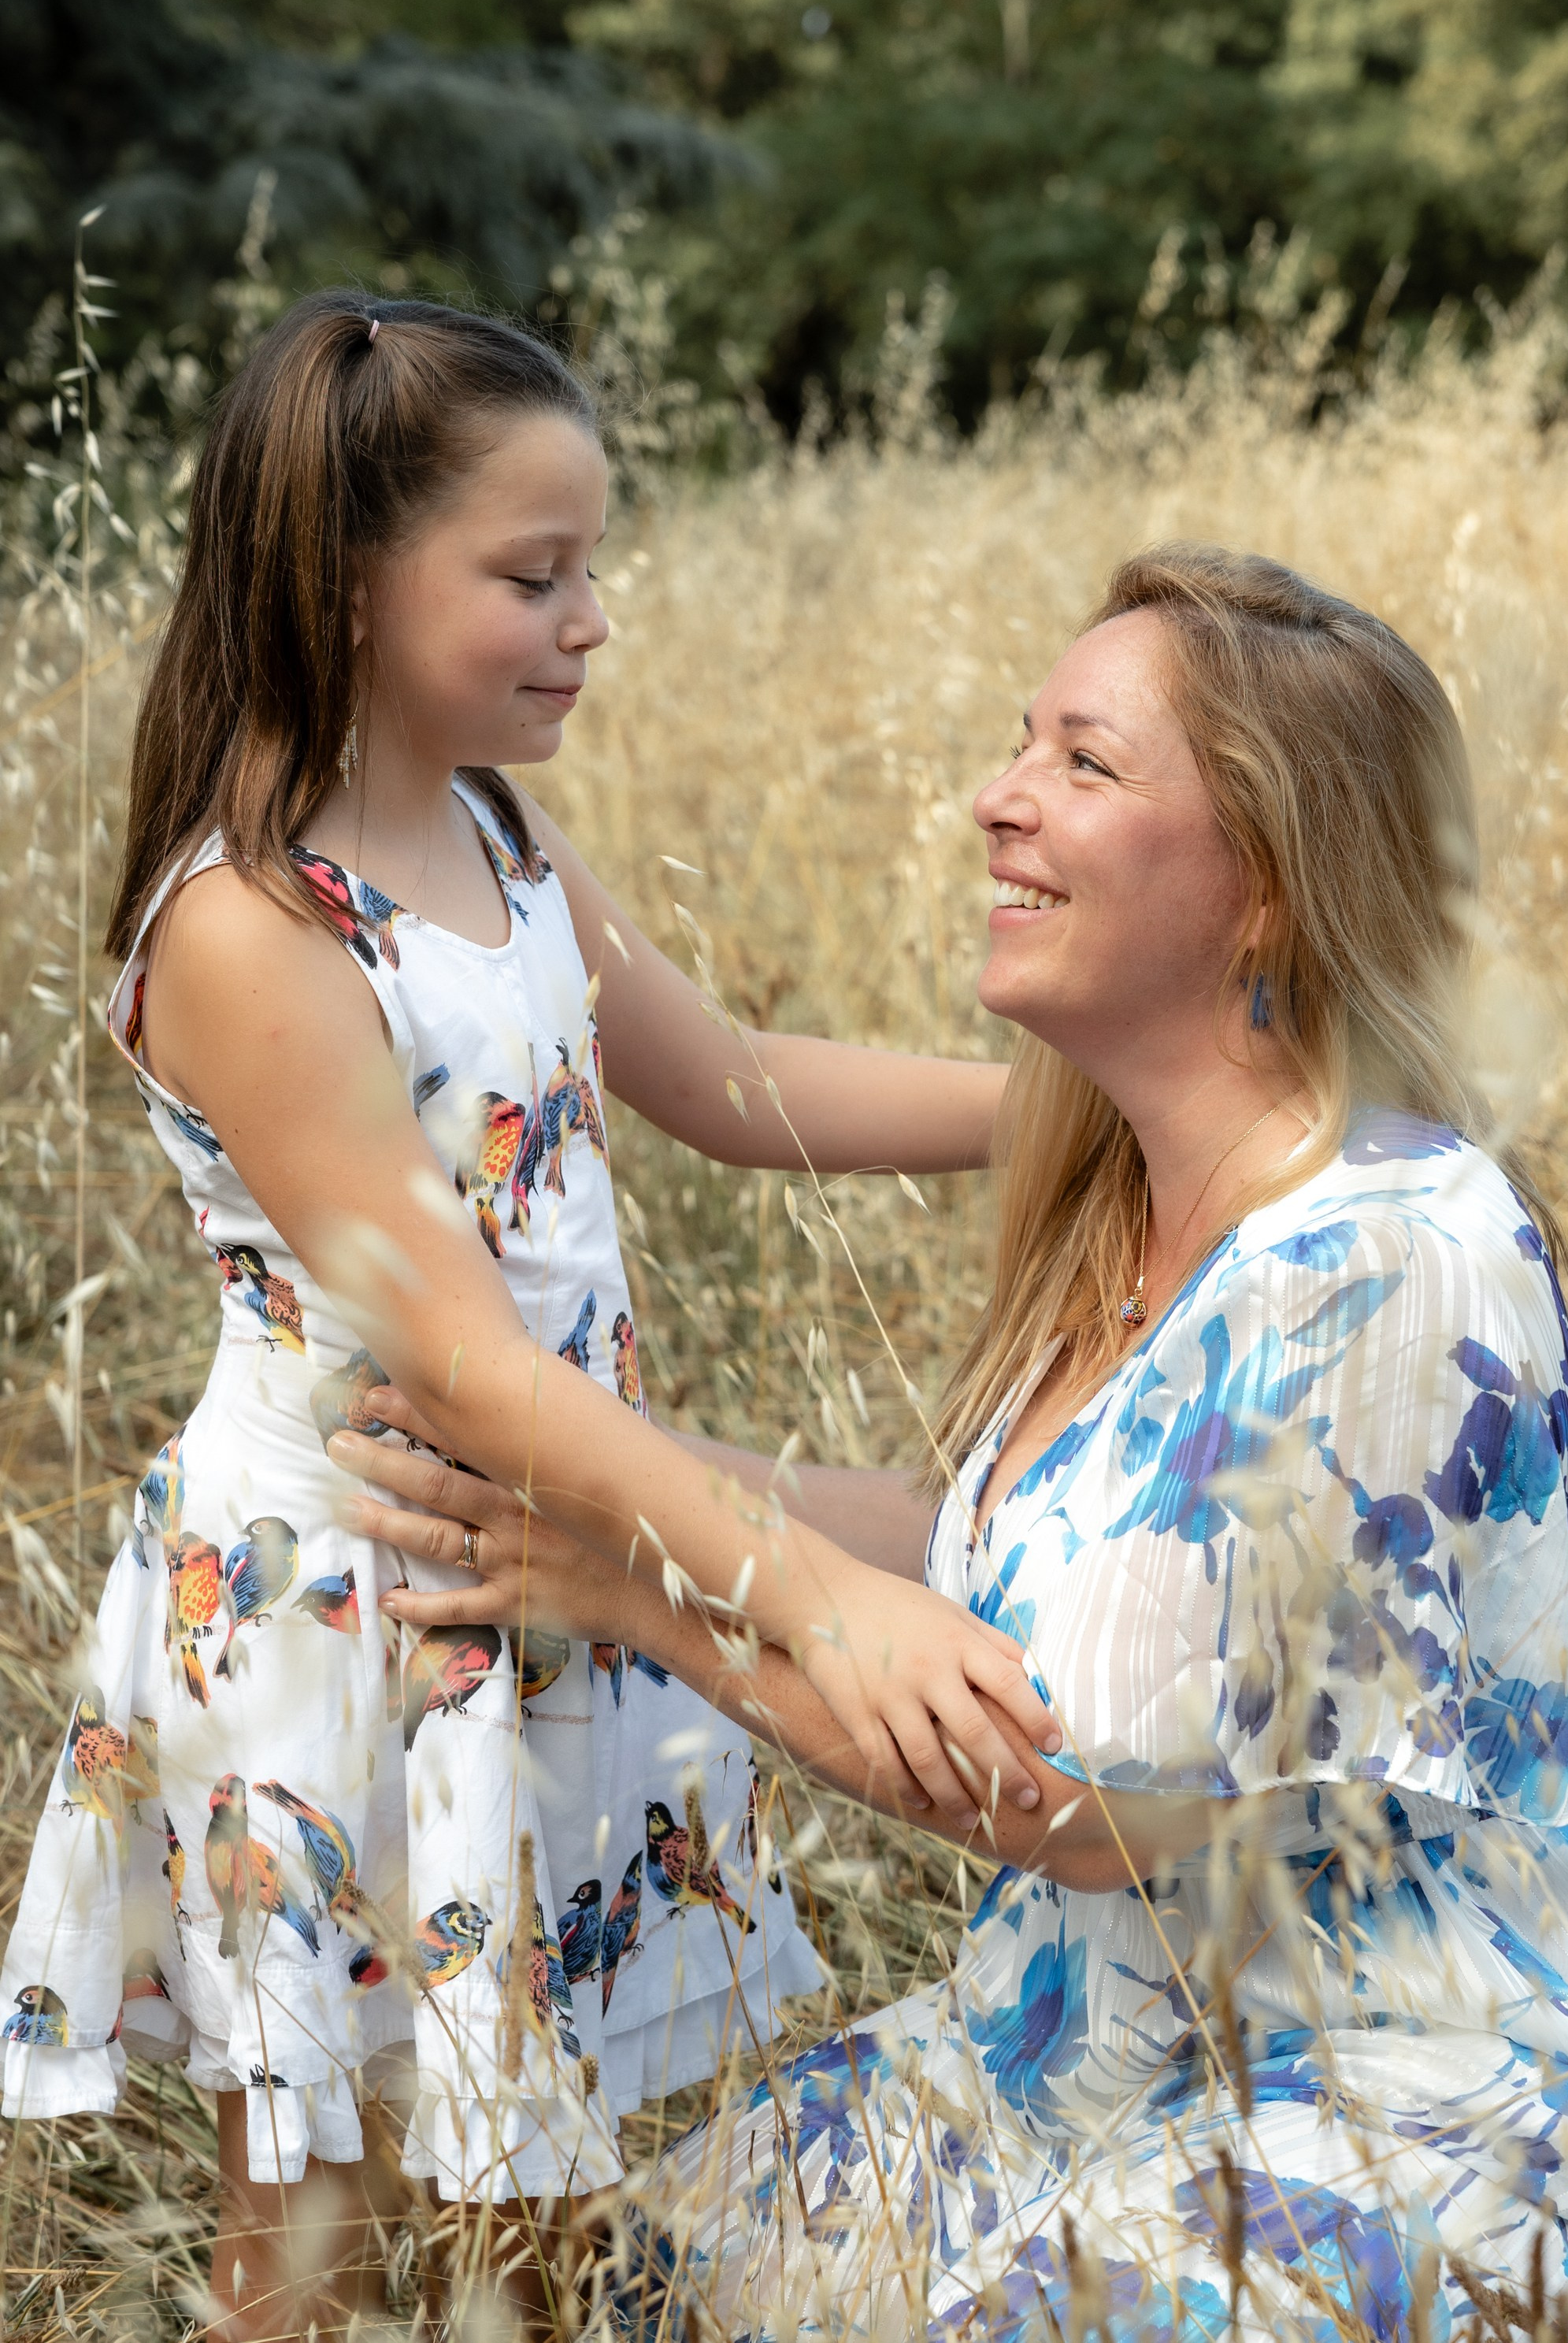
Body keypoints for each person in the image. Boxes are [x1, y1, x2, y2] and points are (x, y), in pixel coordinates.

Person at [335, 545, 1568, 2340]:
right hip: (1108, 2035)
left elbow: (1077, 1811)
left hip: (1457, 2076)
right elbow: (996, 1543)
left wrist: (643, 1588)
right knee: (622, 2295)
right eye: (1019, 744)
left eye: (1084, 763)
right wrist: (597, 1474)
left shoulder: (1384, 1258)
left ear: (1266, 887)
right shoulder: (1139, 1192)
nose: (998, 799)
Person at [0, 294, 1060, 2343]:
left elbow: (735, 1081)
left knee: (532, 2215)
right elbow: (469, 1362)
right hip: (353, 1606)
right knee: (309, 2243)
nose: (590, 621)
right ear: (345, 579)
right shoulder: (251, 925)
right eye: (532, 574)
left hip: (551, 1561)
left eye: (590, 567)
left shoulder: (494, 828)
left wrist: (1084, 1114)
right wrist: (813, 1594)